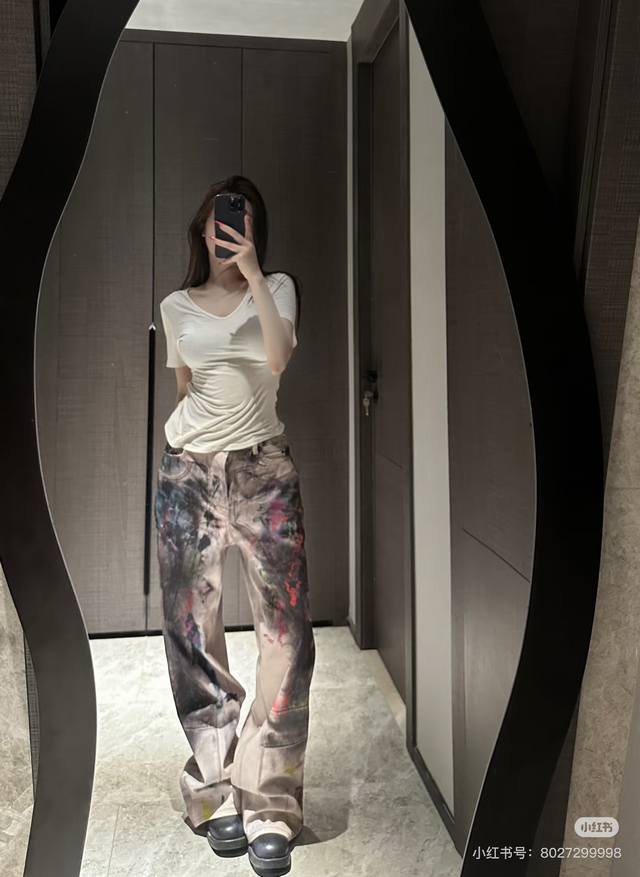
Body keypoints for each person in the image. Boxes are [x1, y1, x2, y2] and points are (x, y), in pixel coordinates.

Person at [154, 174, 315, 877]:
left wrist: (250, 272)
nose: (229, 230)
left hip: (263, 475)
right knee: (192, 635)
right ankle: (216, 782)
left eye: (243, 221)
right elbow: (185, 389)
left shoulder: (275, 288)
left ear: (256, 230)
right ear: (203, 227)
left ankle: (269, 800)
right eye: (221, 220)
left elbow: (278, 359)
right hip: (187, 475)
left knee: (287, 637)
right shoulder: (175, 305)